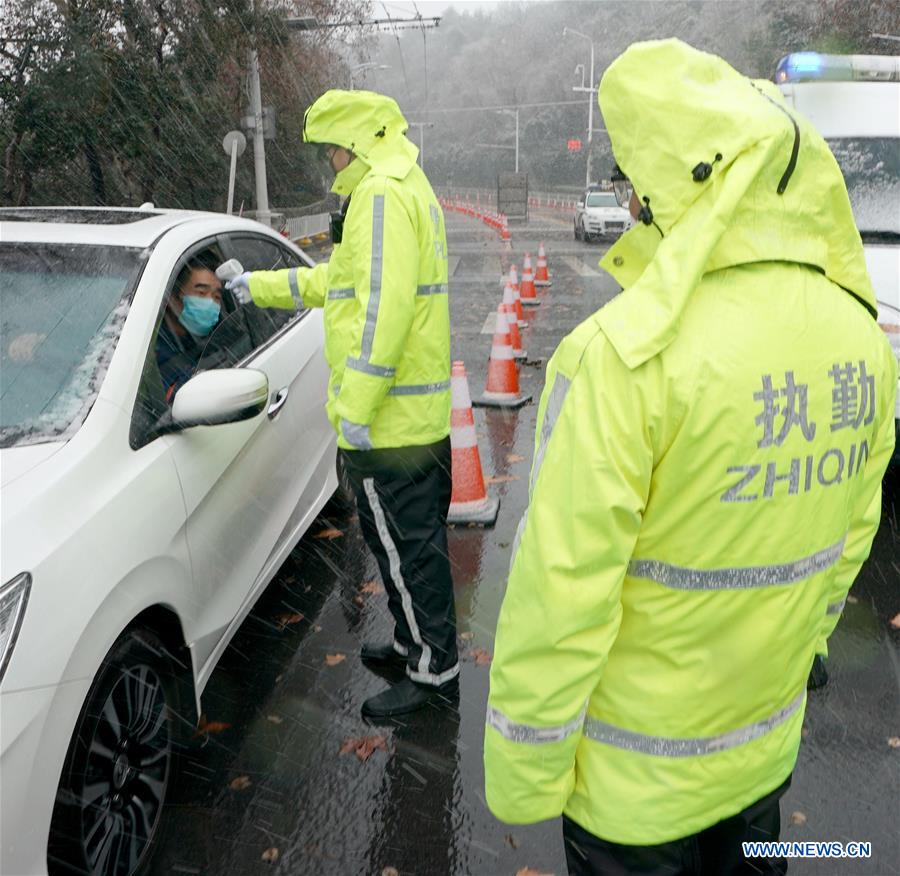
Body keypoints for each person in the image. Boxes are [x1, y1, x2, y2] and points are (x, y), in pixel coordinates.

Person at [484, 39, 897, 876]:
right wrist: (804, 647)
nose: (627, 201)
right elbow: (850, 534)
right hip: (759, 758)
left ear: (671, 191)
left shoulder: (623, 355)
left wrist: (526, 773)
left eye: (634, 184)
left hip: (633, 797)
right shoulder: (862, 332)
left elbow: (563, 589)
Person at [228, 89, 457, 719]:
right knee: (412, 548)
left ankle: (434, 676)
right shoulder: (404, 186)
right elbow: (341, 282)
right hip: (415, 419)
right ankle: (417, 641)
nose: (329, 162)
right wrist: (260, 287)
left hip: (391, 425)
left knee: (408, 549)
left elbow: (382, 310)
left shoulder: (380, 195)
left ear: (355, 143)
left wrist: (355, 406)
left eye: (332, 148)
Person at [156, 263, 224, 403]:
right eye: (201, 293)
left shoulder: (222, 333)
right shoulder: (152, 351)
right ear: (171, 298)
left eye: (217, 297)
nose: (210, 303)